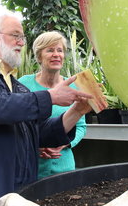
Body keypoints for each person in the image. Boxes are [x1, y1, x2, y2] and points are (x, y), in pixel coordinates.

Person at [0, 14, 98, 206]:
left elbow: (38, 131)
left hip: (12, 189)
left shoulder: (14, 85)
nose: (21, 42)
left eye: (22, 38)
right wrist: (51, 96)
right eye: (15, 35)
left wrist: (77, 110)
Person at [19, 31, 86, 179]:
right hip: (32, 167)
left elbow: (81, 126)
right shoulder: (23, 84)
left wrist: (66, 143)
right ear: (39, 56)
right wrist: (33, 145)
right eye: (50, 50)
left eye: (60, 50)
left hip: (64, 167)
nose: (56, 54)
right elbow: (16, 126)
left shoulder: (74, 86)